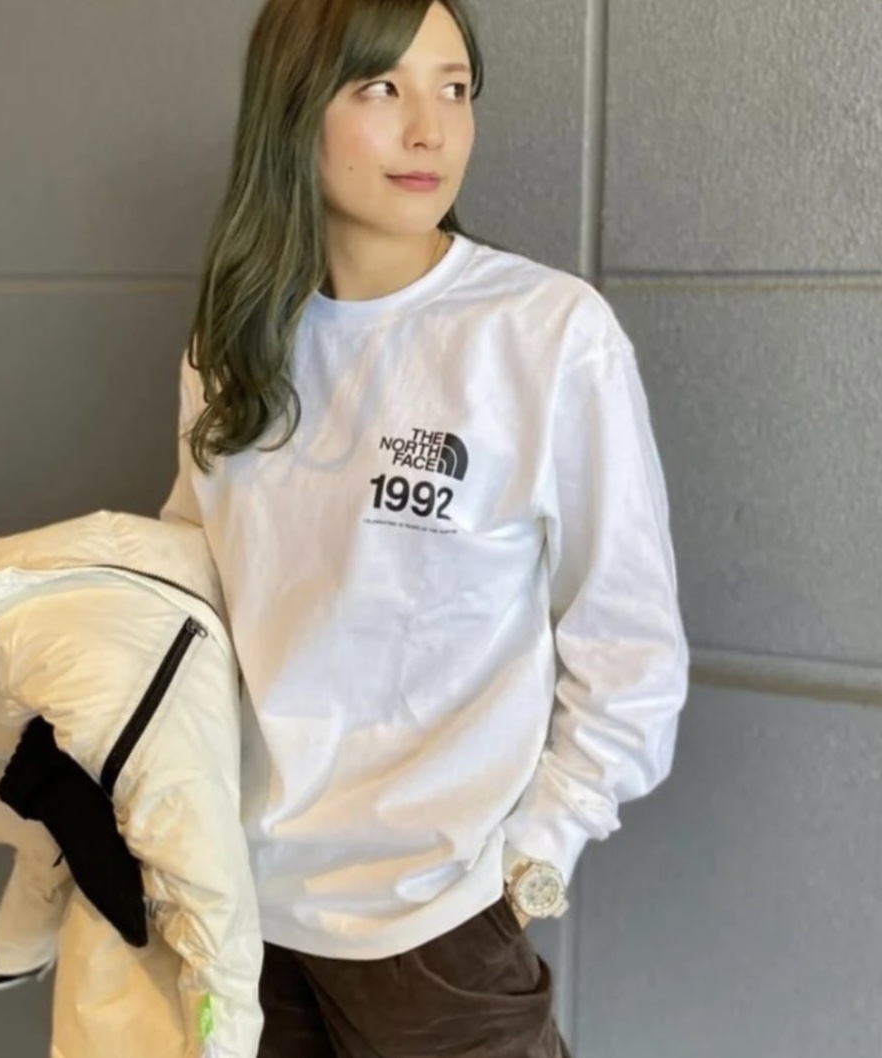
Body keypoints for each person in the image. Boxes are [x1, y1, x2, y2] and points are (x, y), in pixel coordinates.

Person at [161, 1, 690, 1054]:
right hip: (248, 911)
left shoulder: (542, 332)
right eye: (380, 88)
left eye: (454, 89)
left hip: (440, 926)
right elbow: (192, 592)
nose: (429, 130)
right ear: (292, 108)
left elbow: (630, 646)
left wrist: (531, 863)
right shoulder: (234, 344)